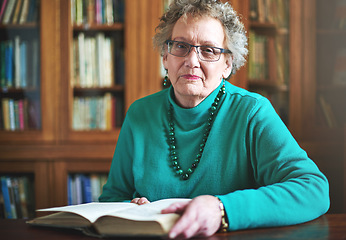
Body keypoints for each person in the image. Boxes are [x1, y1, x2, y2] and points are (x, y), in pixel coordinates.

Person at [99, 0, 330, 238]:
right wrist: (129, 208)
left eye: (208, 50)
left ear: (228, 64)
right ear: (165, 57)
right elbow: (111, 200)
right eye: (180, 46)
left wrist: (222, 210)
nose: (192, 61)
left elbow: (313, 190)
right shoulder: (139, 114)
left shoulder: (252, 112)